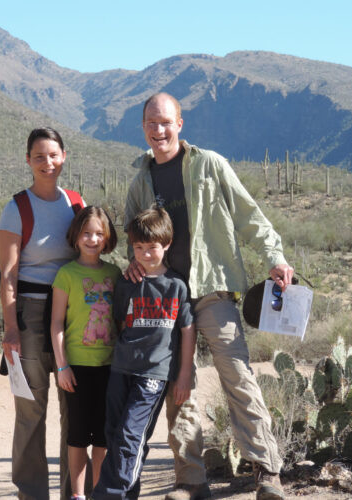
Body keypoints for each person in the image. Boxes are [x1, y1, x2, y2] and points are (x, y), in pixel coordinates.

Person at [123, 93, 294, 500]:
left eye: (165, 122)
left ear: (180, 123)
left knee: (237, 374)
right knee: (179, 386)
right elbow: (131, 235)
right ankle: (190, 480)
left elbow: (247, 212)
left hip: (213, 286)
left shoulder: (209, 164)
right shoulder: (139, 181)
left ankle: (267, 472)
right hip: (166, 297)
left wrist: (274, 256)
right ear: (143, 127)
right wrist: (129, 264)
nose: (158, 130)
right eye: (151, 123)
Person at [0, 127, 87, 500]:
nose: (46, 163)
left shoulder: (77, 204)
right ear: (28, 160)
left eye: (52, 155)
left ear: (64, 156)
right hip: (30, 315)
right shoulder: (17, 207)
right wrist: (11, 329)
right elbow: (8, 274)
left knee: (75, 411)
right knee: (31, 411)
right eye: (38, 156)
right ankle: (31, 494)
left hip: (73, 315)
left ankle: (74, 493)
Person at [92, 207, 196, 500]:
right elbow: (121, 322)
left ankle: (109, 493)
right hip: (122, 367)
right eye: (139, 248)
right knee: (114, 433)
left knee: (131, 434)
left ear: (166, 245)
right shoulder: (128, 282)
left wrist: (184, 373)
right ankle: (127, 493)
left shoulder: (176, 285)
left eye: (152, 248)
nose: (145, 254)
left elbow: (187, 329)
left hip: (154, 373)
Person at [50, 206, 121, 500]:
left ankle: (99, 493)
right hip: (76, 367)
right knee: (78, 436)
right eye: (86, 233)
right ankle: (78, 495)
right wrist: (62, 366)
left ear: (107, 239)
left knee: (103, 437)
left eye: (99, 234)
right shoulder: (66, 274)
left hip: (110, 367)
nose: (92, 239)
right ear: (76, 236)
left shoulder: (115, 273)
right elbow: (56, 323)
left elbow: (121, 321)